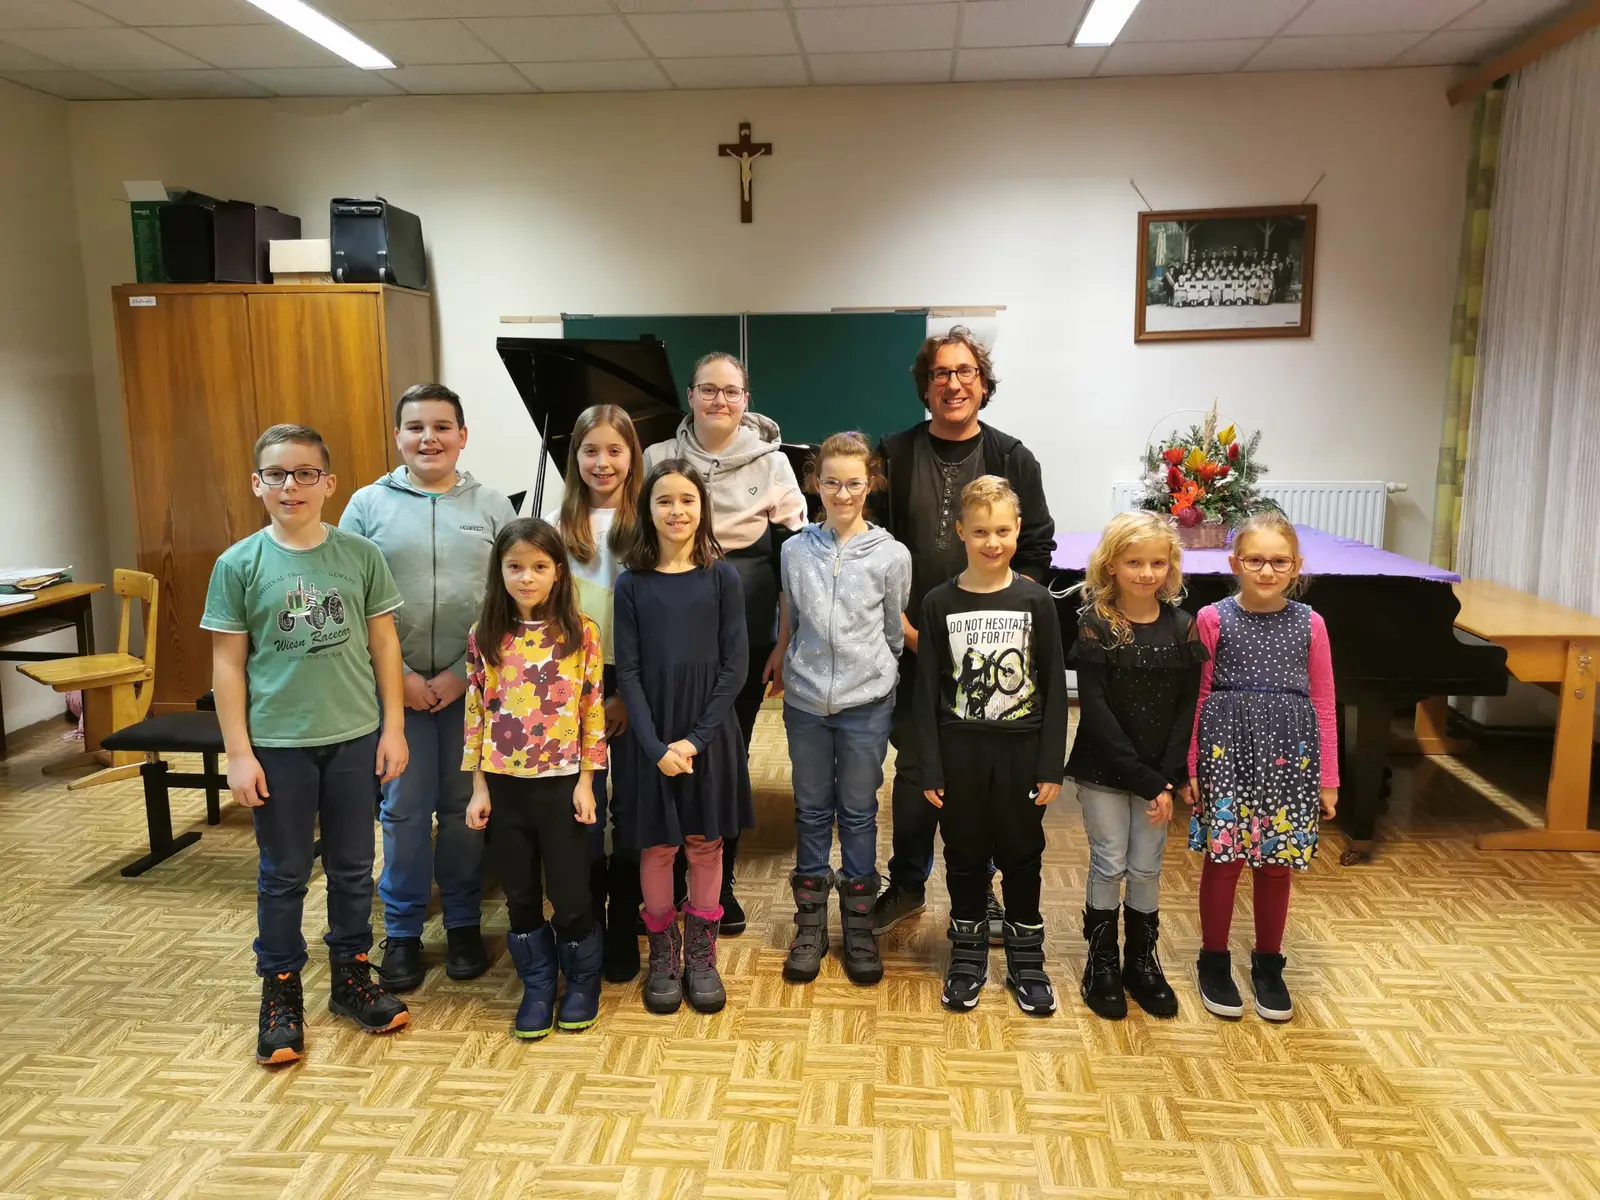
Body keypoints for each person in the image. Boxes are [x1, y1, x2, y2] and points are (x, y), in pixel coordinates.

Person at [203, 424, 411, 1066]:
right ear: (257, 484)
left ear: (329, 483)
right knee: (284, 872)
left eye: (304, 473)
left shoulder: (360, 556)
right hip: (277, 744)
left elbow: (384, 645)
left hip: (354, 737)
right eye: (276, 474)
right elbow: (228, 665)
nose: (290, 486)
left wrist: (393, 728)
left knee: (352, 867)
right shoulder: (239, 564)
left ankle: (351, 974)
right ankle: (281, 988)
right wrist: (239, 753)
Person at [869, 326, 1056, 944]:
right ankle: (907, 883)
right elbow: (870, 547)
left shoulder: (1014, 458)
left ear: (983, 383)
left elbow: (1036, 548)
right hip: (912, 647)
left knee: (986, 775)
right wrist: (905, 628)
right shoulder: (892, 454)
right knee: (917, 771)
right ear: (925, 387)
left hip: (993, 655)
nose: (953, 383)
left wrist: (1002, 621)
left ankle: (983, 891)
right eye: (940, 373)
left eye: (965, 371)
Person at [339, 383, 515, 995]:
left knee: (466, 810)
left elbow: (512, 598)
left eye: (442, 427)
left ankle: (463, 921)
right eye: (415, 427)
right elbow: (349, 600)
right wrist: (403, 679)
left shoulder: (493, 506)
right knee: (405, 811)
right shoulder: (366, 505)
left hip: (474, 688)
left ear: (463, 436)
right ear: (398, 436)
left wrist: (464, 671)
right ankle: (404, 931)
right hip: (397, 692)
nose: (429, 438)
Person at [643, 353, 806, 934]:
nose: (719, 400)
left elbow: (793, 560)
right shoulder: (657, 457)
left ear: (746, 399)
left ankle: (720, 881)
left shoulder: (774, 463)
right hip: (668, 628)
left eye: (731, 391)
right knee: (664, 745)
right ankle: (664, 877)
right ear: (690, 395)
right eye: (708, 390)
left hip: (746, 629)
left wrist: (783, 641)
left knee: (724, 755)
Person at [913, 476, 1067, 1015]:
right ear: (961, 531)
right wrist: (930, 766)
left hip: (1022, 752)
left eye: (1002, 530)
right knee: (964, 856)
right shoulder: (938, 602)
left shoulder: (1036, 600)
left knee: (1023, 856)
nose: (992, 541)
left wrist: (1051, 765)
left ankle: (1027, 960)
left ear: (1018, 529)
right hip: (960, 754)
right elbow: (926, 691)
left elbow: (1053, 686)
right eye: (980, 531)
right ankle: (967, 955)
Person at [770, 432, 911, 986]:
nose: (843, 493)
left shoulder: (891, 555)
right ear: (815, 483)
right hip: (806, 701)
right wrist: (786, 655)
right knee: (810, 811)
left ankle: (857, 925)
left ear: (871, 483)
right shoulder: (794, 550)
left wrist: (876, 674)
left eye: (854, 483)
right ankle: (810, 925)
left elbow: (893, 630)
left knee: (857, 813)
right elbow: (791, 613)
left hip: (866, 703)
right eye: (832, 482)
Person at [1188, 511, 1339, 1023]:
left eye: (1279, 561)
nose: (1267, 571)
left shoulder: (1311, 624)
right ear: (1235, 563)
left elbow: (1324, 702)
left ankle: (1269, 964)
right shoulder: (1212, 619)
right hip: (1227, 755)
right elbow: (1199, 694)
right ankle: (1213, 960)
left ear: (1296, 565)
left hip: (1290, 761)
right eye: (1255, 560)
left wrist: (1329, 777)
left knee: (1277, 863)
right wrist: (1193, 766)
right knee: (1224, 859)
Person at [615, 460, 754, 1015]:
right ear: (647, 510)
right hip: (651, 733)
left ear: (703, 508)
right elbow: (627, 672)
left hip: (709, 732)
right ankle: (664, 956)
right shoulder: (631, 583)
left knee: (704, 843)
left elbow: (736, 666)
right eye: (664, 501)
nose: (677, 511)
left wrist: (694, 740)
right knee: (657, 845)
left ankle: (701, 955)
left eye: (687, 500)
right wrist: (655, 748)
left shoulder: (723, 577)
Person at [462, 518, 606, 1039]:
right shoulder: (484, 635)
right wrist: (479, 787)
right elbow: (476, 712)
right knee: (520, 893)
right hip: (504, 785)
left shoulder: (581, 632)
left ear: (558, 572)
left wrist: (587, 781)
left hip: (562, 784)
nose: (527, 578)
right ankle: (539, 983)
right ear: (499, 571)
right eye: (515, 567)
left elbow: (592, 710)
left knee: (570, 892)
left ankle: (582, 981)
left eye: (539, 567)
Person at [1065, 512, 1206, 1021]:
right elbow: (1097, 713)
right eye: (1134, 562)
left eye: (1157, 563)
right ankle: (1101, 962)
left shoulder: (1183, 627)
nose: (1146, 573)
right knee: (1110, 861)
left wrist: (1167, 775)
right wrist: (1150, 781)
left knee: (1146, 866)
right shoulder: (1096, 625)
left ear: (1170, 567)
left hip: (1158, 775)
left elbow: (1186, 710)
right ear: (1112, 564)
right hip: (1105, 768)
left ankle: (1141, 962)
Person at [557, 404, 645, 982]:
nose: (603, 462)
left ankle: (624, 919)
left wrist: (626, 693)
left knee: (630, 805)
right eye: (591, 450)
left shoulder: (650, 521)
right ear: (576, 457)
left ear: (633, 456)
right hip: (572, 683)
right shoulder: (555, 524)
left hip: (633, 679)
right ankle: (586, 917)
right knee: (581, 802)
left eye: (615, 450)